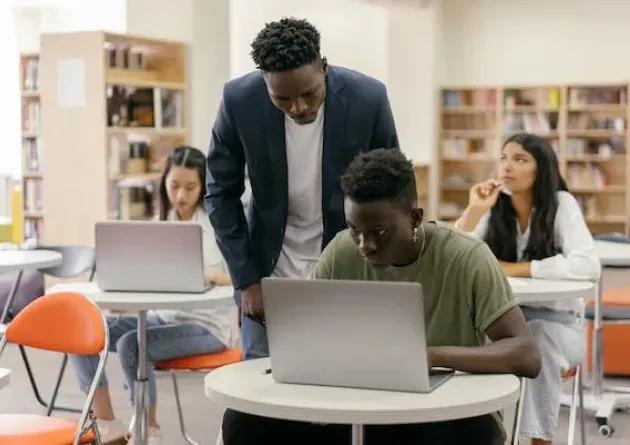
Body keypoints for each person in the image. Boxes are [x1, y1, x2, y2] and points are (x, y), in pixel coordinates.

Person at [222, 149, 541, 445]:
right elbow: (314, 337)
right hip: (356, 405)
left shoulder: (466, 257)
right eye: (354, 229)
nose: (365, 245)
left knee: (476, 435)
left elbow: (526, 355)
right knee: (243, 422)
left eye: (380, 232)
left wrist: (431, 356)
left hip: (442, 412)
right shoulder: (340, 251)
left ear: (415, 218)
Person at [206, 17, 398, 360]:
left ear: (323, 67)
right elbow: (220, 194)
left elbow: (393, 187)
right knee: (261, 395)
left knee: (342, 380)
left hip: (347, 266)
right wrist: (245, 280)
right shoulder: (239, 100)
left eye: (309, 94)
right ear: (264, 83)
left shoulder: (367, 97)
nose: (299, 108)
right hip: (266, 275)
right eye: (282, 98)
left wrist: (384, 268)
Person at [70, 146, 237, 444]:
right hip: (165, 315)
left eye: (190, 187)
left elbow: (238, 278)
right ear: (164, 184)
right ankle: (107, 421)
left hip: (208, 325)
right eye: (174, 186)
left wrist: (209, 275)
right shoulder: (165, 220)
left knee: (131, 344)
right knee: (81, 331)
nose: (181, 195)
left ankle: (150, 428)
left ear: (203, 186)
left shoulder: (217, 224)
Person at [455, 133, 600, 445]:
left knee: (535, 339)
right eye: (504, 157)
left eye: (520, 159)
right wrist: (475, 210)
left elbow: (588, 265)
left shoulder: (562, 205)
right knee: (465, 338)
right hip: (505, 321)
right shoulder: (495, 207)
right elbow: (453, 255)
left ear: (541, 169)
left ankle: (538, 441)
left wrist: (518, 268)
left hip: (559, 328)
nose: (507, 166)